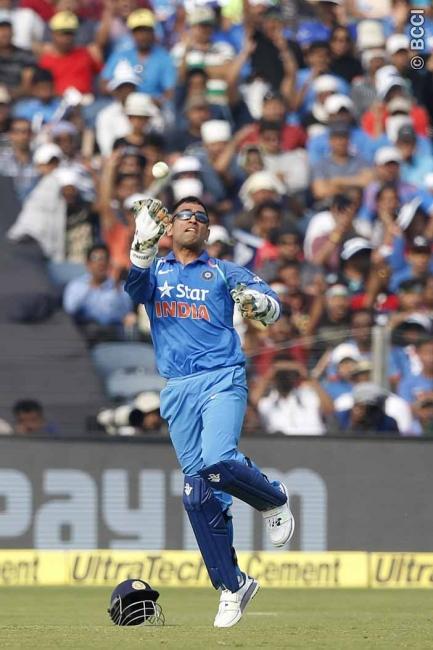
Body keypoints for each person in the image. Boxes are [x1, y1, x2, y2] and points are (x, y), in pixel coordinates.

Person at [125, 194, 294, 628]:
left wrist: (260, 306)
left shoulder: (222, 270)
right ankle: (233, 586)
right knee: (198, 495)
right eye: (185, 215)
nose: (193, 221)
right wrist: (141, 246)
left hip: (221, 377)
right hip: (177, 388)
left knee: (218, 460)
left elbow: (271, 306)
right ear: (170, 226)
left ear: (208, 231)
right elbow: (134, 290)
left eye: (201, 218)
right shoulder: (157, 270)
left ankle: (273, 498)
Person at [63, 243, 134, 345]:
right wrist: (91, 286)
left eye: (104, 258)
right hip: (85, 333)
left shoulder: (119, 287)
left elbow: (126, 313)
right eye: (95, 259)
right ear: (88, 264)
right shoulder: (76, 286)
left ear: (109, 263)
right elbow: (69, 309)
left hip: (112, 334)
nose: (100, 263)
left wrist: (116, 286)